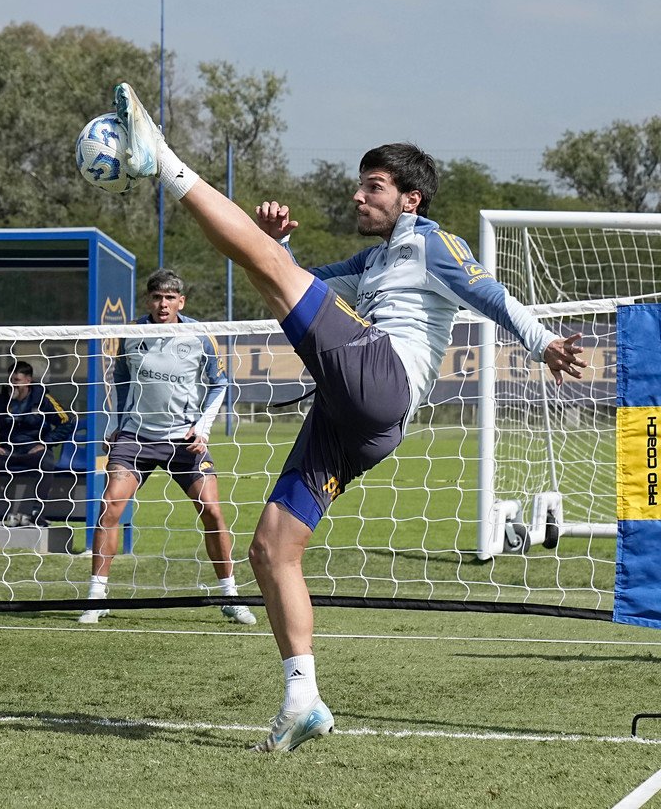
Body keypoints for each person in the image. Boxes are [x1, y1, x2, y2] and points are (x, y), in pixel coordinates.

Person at [107, 83, 586, 752]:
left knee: (268, 268)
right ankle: (303, 697)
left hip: (381, 383)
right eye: (359, 186)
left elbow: (492, 294)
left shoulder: (433, 245)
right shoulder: (371, 262)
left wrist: (543, 345)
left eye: (375, 186)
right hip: (357, 416)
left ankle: (160, 156)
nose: (360, 196)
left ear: (410, 199)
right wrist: (271, 244)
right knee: (271, 550)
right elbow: (291, 279)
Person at [78, 268, 256, 627]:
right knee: (109, 507)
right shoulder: (132, 334)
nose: (163, 304)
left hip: (184, 441)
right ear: (149, 300)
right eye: (157, 297)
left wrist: (202, 429)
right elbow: (121, 379)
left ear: (181, 301)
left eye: (170, 298)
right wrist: (115, 425)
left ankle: (230, 596)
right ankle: (96, 598)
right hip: (136, 438)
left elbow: (219, 384)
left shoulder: (200, 336)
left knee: (213, 512)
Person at [0, 361, 76, 525]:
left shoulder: (42, 399)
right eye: (10, 379)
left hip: (33, 451)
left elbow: (67, 421)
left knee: (46, 461)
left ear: (28, 381)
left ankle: (37, 512)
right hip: (7, 451)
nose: (12, 384)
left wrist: (46, 443)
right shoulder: (0, 400)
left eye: (16, 380)